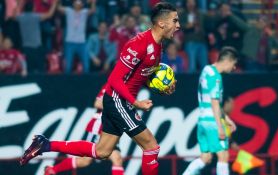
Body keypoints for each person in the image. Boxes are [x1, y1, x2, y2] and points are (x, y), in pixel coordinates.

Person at [19, 2, 180, 175]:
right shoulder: (139, 43)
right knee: (151, 146)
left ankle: (46, 144)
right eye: (175, 20)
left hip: (121, 101)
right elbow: (114, 79)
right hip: (119, 100)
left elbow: (140, 75)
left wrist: (160, 87)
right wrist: (136, 102)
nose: (178, 25)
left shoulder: (158, 46)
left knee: (101, 152)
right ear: (162, 23)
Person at [44, 85, 124, 175]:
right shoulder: (111, 84)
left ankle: (53, 169)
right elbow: (97, 103)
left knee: (117, 159)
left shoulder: (129, 87)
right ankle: (53, 169)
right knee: (86, 160)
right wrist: (116, 106)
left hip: (112, 130)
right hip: (98, 127)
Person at [182, 47, 238, 175]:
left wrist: (228, 119)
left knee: (205, 158)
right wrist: (220, 127)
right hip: (212, 122)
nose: (234, 68)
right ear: (228, 61)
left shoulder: (206, 70)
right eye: (234, 64)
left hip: (202, 121)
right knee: (223, 156)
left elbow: (211, 101)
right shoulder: (216, 77)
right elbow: (215, 103)